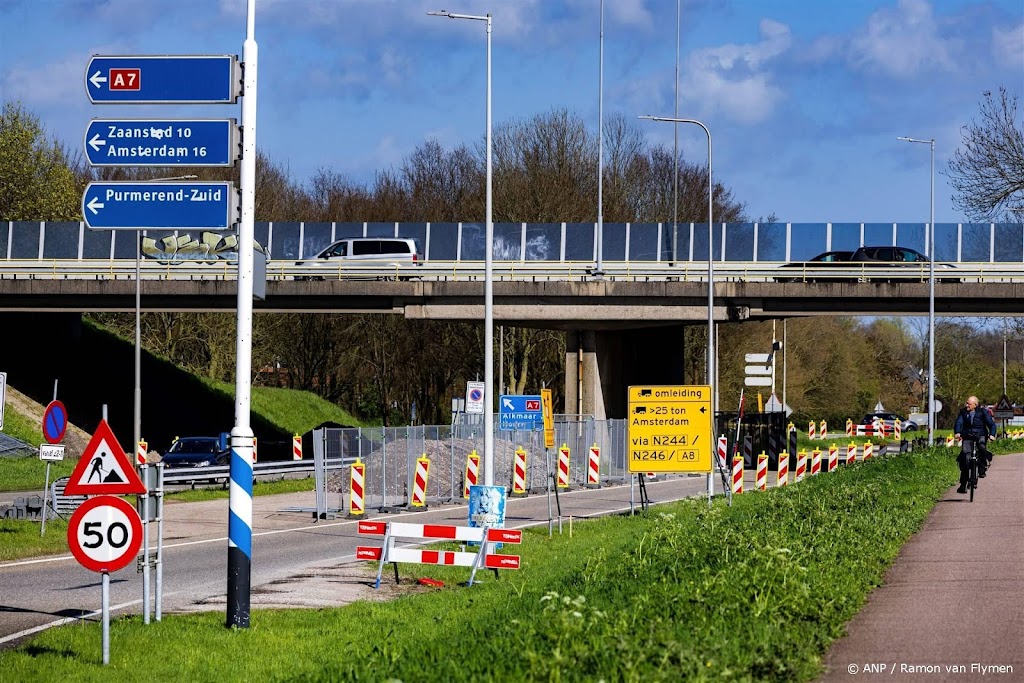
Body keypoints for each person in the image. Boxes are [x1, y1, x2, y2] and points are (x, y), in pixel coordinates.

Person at [953, 395, 996, 493]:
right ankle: (963, 484)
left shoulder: (983, 412)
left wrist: (992, 435)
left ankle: (982, 467)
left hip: (980, 435)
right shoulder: (963, 412)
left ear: (975, 405)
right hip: (967, 436)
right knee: (965, 457)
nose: (966, 405)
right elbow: (959, 422)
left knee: (981, 447)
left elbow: (991, 424)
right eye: (966, 403)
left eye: (969, 403)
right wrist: (957, 432)